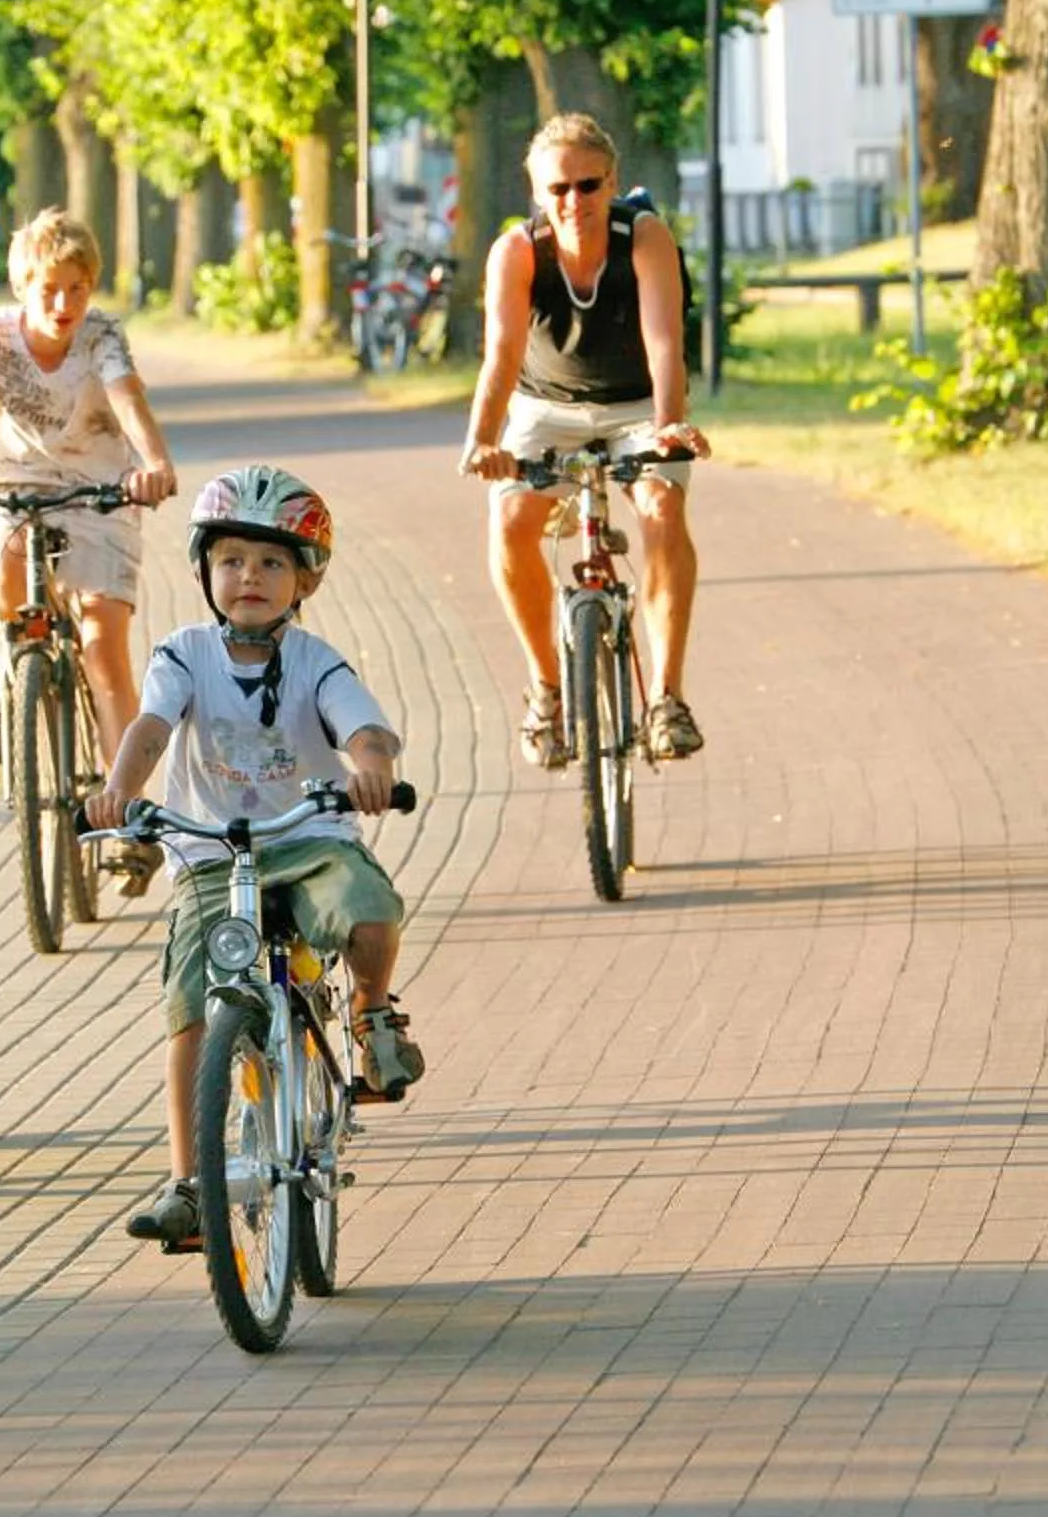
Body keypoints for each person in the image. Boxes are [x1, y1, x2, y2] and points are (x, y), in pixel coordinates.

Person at [84, 466, 420, 1247]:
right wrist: (119, 793)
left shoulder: (315, 662)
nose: (250, 578)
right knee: (191, 1008)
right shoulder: (184, 653)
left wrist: (372, 770)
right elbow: (150, 729)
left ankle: (373, 1017)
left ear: (305, 579)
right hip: (210, 854)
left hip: (308, 842)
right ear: (205, 571)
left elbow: (362, 730)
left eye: (273, 563)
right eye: (232, 559)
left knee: (369, 913)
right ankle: (189, 1184)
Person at [0, 210, 176, 834]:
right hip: (6, 487)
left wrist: (155, 461)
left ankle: (126, 813)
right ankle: (10, 690)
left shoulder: (101, 334)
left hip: (97, 489)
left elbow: (128, 399)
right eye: (48, 288)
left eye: (77, 287)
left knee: (103, 642)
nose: (63, 302)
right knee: (7, 594)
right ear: (22, 287)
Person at [457, 113, 712, 765]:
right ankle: (547, 689)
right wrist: (483, 440)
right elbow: (502, 356)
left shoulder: (644, 238)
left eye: (588, 185)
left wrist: (669, 424)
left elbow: (665, 345)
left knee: (660, 508)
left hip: (634, 407)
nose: (574, 202)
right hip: (545, 408)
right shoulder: (517, 251)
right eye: (558, 189)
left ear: (613, 182)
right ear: (537, 193)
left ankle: (666, 699)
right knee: (514, 519)